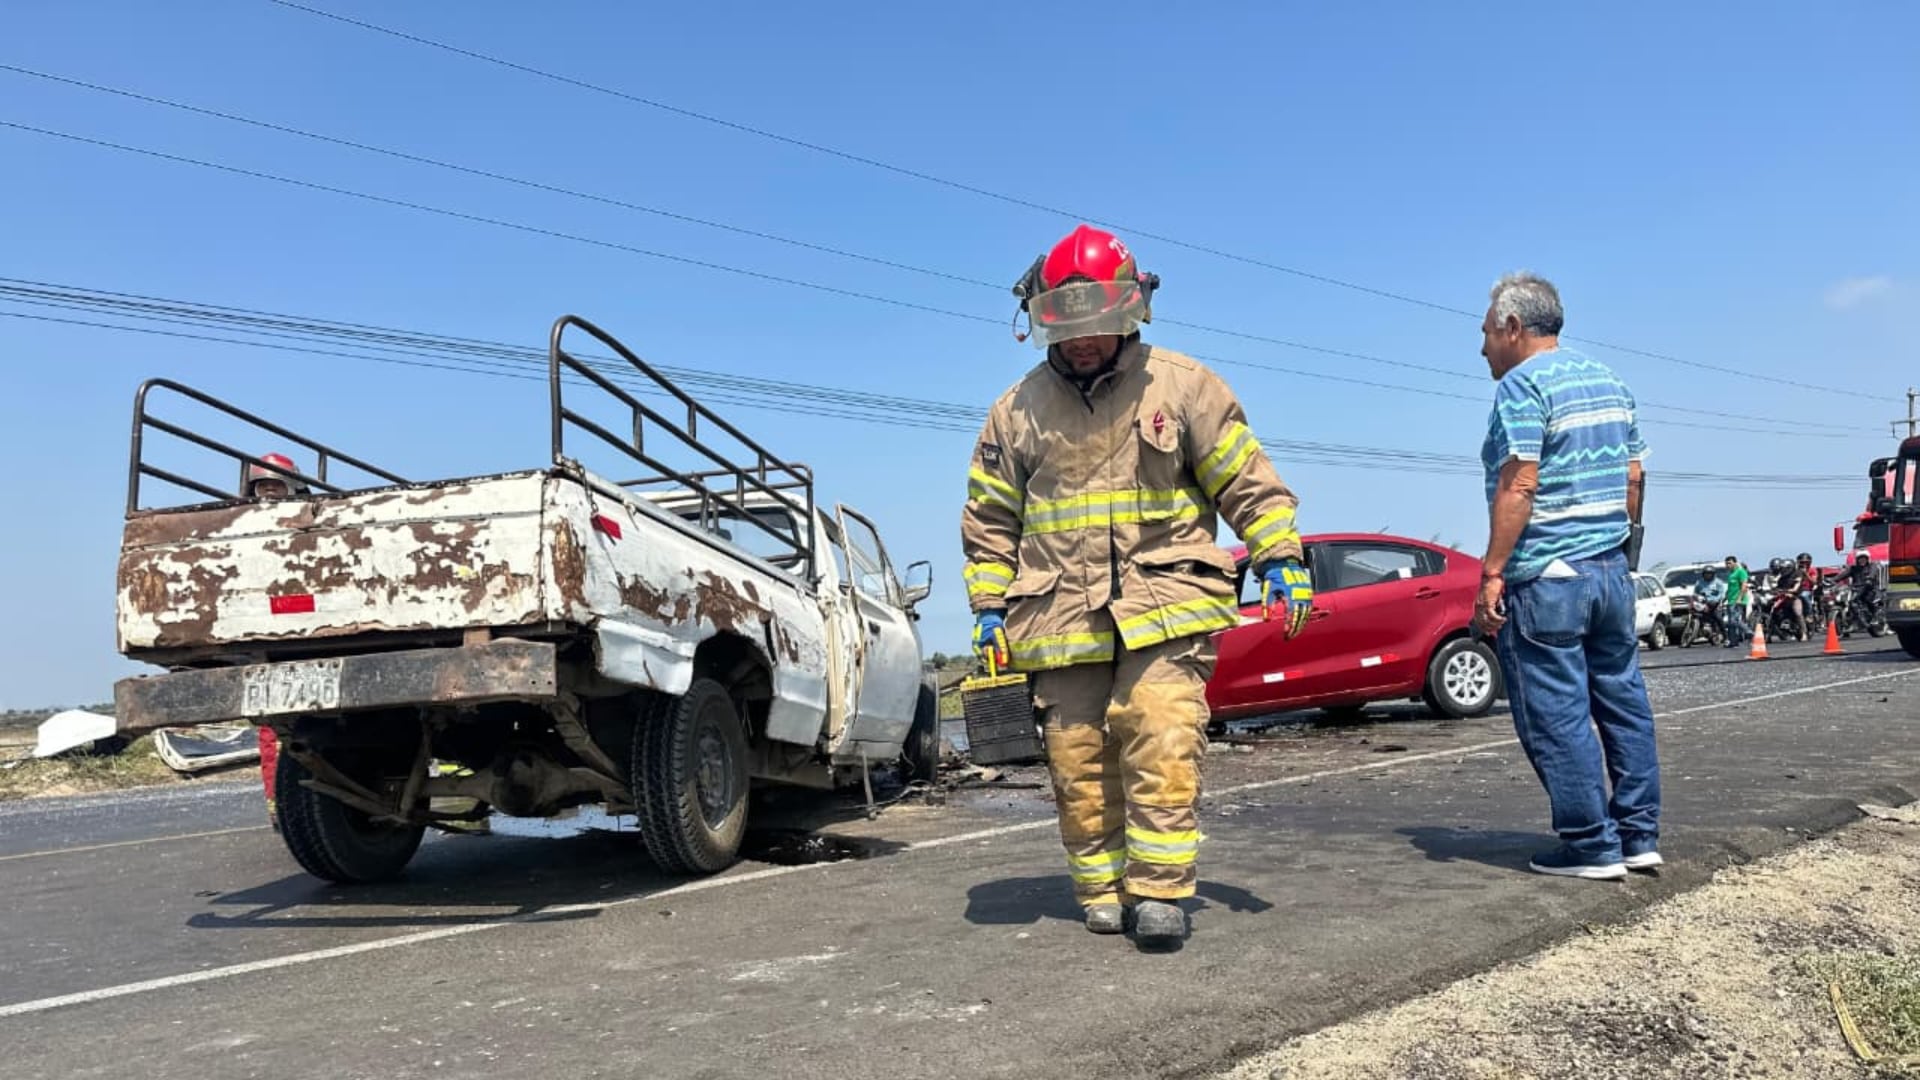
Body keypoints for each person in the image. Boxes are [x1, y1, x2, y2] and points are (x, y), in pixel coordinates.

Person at [960, 224, 1311, 946]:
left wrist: (1280, 554)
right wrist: (989, 609)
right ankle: (1099, 889)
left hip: (1169, 600)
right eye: (1067, 326)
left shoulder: (1184, 387)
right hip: (1059, 614)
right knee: (1079, 760)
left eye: (1099, 325)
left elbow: (1246, 480)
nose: (1084, 341)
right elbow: (990, 518)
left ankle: (1159, 893)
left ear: (1131, 312)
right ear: (1041, 319)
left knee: (1160, 732)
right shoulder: (1015, 412)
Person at [1472, 272, 1660, 881]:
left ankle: (1590, 845)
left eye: (1485, 334)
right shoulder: (1611, 380)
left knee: (1556, 714)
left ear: (1512, 327)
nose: (1483, 350)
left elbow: (1520, 481)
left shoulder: (1522, 387)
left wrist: (1493, 573)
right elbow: (1634, 477)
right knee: (1623, 702)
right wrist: (1624, 553)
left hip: (1549, 576)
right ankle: (1638, 836)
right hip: (1609, 569)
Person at [1691, 565, 1726, 646]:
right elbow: (1695, 593)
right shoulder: (1699, 582)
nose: (1708, 575)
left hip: (1715, 604)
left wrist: (1716, 600)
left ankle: (1725, 636)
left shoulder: (1718, 583)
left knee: (1718, 617)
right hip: (1703, 603)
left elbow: (1721, 594)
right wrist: (1696, 597)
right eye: (1706, 574)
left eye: (1710, 574)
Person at [1721, 555, 1750, 648]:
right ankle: (1733, 642)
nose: (1727, 565)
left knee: (1734, 620)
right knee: (1730, 623)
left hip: (1738, 600)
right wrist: (1725, 598)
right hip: (1730, 601)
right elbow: (1730, 588)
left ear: (1735, 563)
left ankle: (1749, 632)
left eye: (1729, 563)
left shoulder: (1741, 572)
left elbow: (1744, 586)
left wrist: (1740, 598)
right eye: (1726, 563)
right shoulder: (1731, 574)